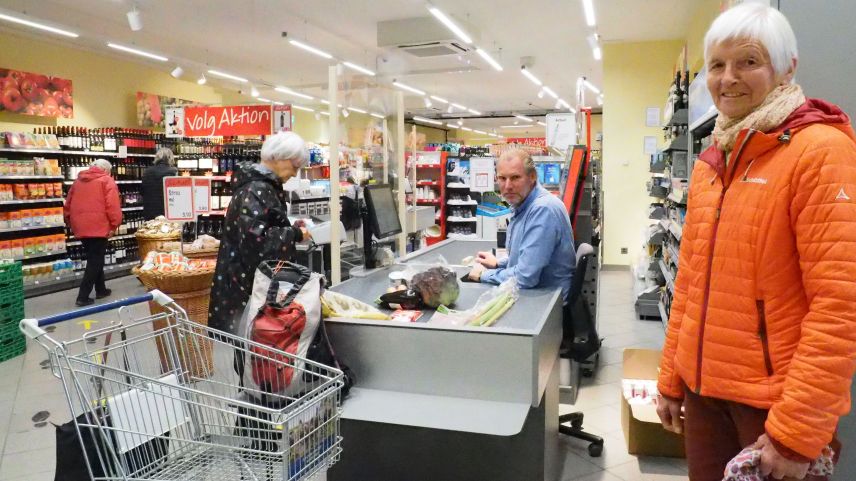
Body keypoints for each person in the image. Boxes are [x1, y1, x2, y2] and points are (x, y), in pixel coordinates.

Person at [656, 4, 856, 481]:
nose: (728, 78)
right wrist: (672, 378)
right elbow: (688, 283)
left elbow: (840, 303)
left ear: (788, 67)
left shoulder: (821, 152)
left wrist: (797, 432)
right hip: (704, 397)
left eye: (748, 61)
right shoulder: (711, 163)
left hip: (771, 407)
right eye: (717, 65)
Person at [208, 132, 311, 334]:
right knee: (254, 351)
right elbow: (257, 240)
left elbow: (261, 226)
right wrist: (295, 234)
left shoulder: (261, 186)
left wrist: (289, 227)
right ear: (279, 158)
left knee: (258, 352)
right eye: (295, 166)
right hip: (248, 289)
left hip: (251, 286)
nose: (295, 174)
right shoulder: (256, 189)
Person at [468, 148, 575, 301]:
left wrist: (483, 275)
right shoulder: (523, 204)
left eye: (515, 177)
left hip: (547, 304)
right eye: (502, 178)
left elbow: (525, 277)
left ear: (532, 177)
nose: (508, 186)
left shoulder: (542, 210)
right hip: (538, 294)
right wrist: (499, 263)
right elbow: (527, 256)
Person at [64, 158, 121, 307]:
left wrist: (71, 223)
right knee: (95, 260)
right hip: (99, 226)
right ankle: (82, 296)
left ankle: (101, 289)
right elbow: (112, 205)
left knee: (95, 257)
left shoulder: (77, 182)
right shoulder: (106, 181)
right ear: (106, 170)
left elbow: (68, 204)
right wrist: (114, 225)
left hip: (80, 225)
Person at [141, 147, 178, 220]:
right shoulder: (173, 172)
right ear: (170, 158)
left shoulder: (147, 172)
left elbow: (142, 191)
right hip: (167, 212)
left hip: (150, 211)